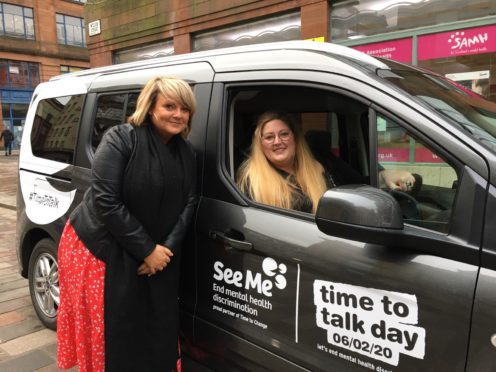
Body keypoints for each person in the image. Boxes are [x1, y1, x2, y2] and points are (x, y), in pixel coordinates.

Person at [57, 76, 197, 372]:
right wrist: (147, 250)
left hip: (154, 254)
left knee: (152, 328)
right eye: (169, 106)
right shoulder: (121, 138)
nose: (178, 114)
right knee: (112, 330)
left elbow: (189, 203)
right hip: (100, 249)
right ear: (150, 107)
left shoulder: (186, 153)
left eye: (184, 109)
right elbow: (106, 200)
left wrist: (164, 252)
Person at [238, 111, 415, 213]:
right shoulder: (252, 181)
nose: (277, 141)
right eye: (269, 137)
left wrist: (384, 175)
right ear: (260, 145)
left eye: (284, 134)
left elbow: (357, 185)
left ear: (295, 137)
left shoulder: (322, 161)